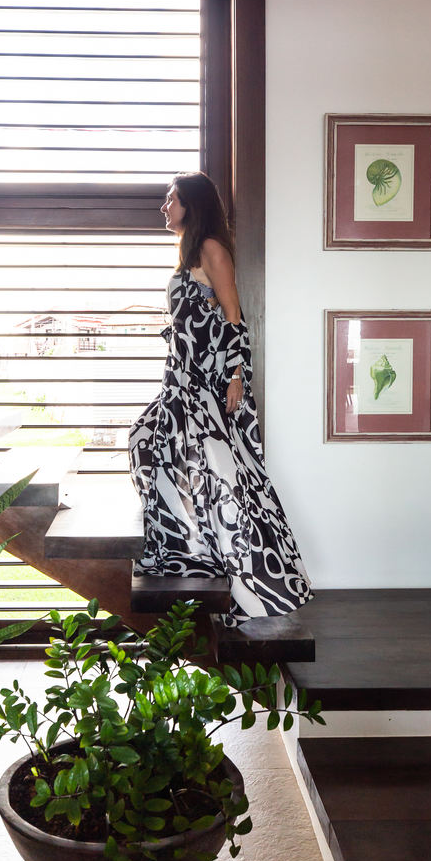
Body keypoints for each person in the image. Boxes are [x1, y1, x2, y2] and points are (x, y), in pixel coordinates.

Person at [129, 171, 313, 626]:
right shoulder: (188, 254)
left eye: (170, 199)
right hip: (179, 382)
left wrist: (237, 376)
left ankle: (248, 574)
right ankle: (187, 550)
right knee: (145, 443)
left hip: (204, 387)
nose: (164, 206)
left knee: (224, 478)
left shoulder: (212, 250)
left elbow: (234, 317)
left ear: (192, 204)